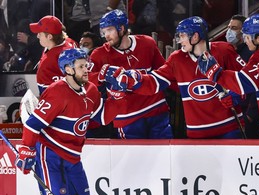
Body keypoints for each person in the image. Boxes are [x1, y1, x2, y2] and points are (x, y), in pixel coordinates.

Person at [15, 48, 126, 195]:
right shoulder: (56, 92)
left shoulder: (91, 90)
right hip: (51, 154)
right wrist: (26, 149)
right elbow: (33, 124)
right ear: (68, 69)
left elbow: (103, 117)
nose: (86, 69)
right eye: (81, 66)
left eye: (86, 65)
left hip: (73, 157)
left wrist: (117, 96)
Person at [102, 16, 247, 139]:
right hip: (197, 133)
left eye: (182, 36)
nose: (179, 41)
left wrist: (237, 94)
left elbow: (247, 79)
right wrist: (134, 80)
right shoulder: (177, 59)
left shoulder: (224, 50)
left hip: (229, 128)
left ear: (195, 36)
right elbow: (154, 82)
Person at [197, 13, 259, 138]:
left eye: (247, 37)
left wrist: (216, 73)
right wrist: (234, 95)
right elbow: (252, 80)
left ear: (258, 39)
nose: (245, 40)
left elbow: (242, 83)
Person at [89, 9, 173, 139]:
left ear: (121, 28)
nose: (106, 35)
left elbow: (164, 72)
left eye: (109, 30)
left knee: (164, 157)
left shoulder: (147, 43)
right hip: (127, 117)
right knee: (135, 159)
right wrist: (100, 75)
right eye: (103, 32)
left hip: (156, 110)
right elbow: (85, 80)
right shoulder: (99, 55)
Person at [226, 14, 259, 139]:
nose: (229, 31)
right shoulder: (227, 52)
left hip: (247, 112)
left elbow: (258, 85)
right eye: (229, 27)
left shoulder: (252, 54)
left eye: (234, 28)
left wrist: (251, 114)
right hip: (232, 112)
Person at [29, 15, 77, 95]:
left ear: (49, 37)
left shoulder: (48, 62)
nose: (37, 36)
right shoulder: (70, 41)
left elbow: (47, 94)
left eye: (40, 34)